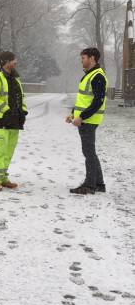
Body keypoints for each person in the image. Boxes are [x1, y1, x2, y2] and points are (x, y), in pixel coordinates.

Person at [65, 47, 107, 195]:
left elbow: (98, 101)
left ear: (92, 58)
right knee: (90, 152)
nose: (81, 61)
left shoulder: (97, 76)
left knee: (88, 152)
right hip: (84, 119)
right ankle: (99, 184)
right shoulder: (89, 75)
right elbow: (83, 99)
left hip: (88, 121)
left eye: (83, 58)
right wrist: (73, 114)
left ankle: (89, 186)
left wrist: (82, 117)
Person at [0, 51, 27, 191]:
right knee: (0, 150)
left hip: (15, 121)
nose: (16, 63)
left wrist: (24, 111)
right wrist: (7, 111)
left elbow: (21, 97)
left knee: (9, 150)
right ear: (6, 62)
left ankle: (3, 177)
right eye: (13, 60)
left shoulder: (16, 78)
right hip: (2, 120)